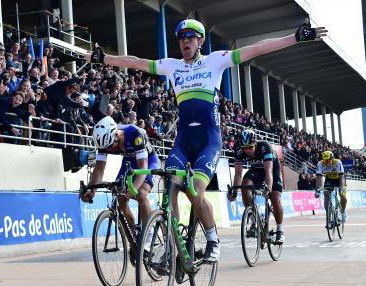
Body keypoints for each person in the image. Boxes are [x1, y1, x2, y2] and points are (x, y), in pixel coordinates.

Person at [85, 17, 326, 262]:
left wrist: (295, 38)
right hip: (183, 142)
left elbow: (256, 48)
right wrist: (104, 59)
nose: (185, 42)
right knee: (170, 189)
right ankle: (173, 246)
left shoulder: (215, 60)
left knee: (196, 192)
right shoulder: (172, 66)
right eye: (181, 38)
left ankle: (212, 239)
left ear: (200, 41)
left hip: (208, 141)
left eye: (190, 38)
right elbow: (136, 62)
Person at [80, 116, 160, 231]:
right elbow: (99, 168)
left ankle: (148, 233)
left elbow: (143, 167)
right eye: (107, 148)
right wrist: (92, 190)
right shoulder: (105, 142)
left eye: (111, 146)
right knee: (120, 195)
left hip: (149, 162)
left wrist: (134, 189)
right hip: (129, 162)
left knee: (141, 194)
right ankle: (133, 231)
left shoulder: (134, 133)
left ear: (116, 135)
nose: (110, 150)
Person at [228, 130, 285, 244]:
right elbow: (238, 173)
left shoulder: (265, 147)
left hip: (272, 169)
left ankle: (280, 230)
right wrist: (234, 190)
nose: (247, 150)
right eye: (245, 148)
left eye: (250, 147)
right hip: (256, 170)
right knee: (244, 186)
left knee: (275, 199)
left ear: (255, 143)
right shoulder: (239, 150)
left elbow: (268, 172)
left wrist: (267, 189)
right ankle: (254, 223)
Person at [314, 150, 348, 223]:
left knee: (342, 195)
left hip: (339, 179)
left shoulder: (338, 162)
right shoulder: (320, 164)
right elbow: (318, 178)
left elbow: (341, 176)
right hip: (329, 179)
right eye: (326, 161)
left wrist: (341, 188)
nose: (328, 162)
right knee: (326, 194)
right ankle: (328, 216)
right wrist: (317, 190)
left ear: (332, 159)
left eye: (329, 160)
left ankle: (343, 211)